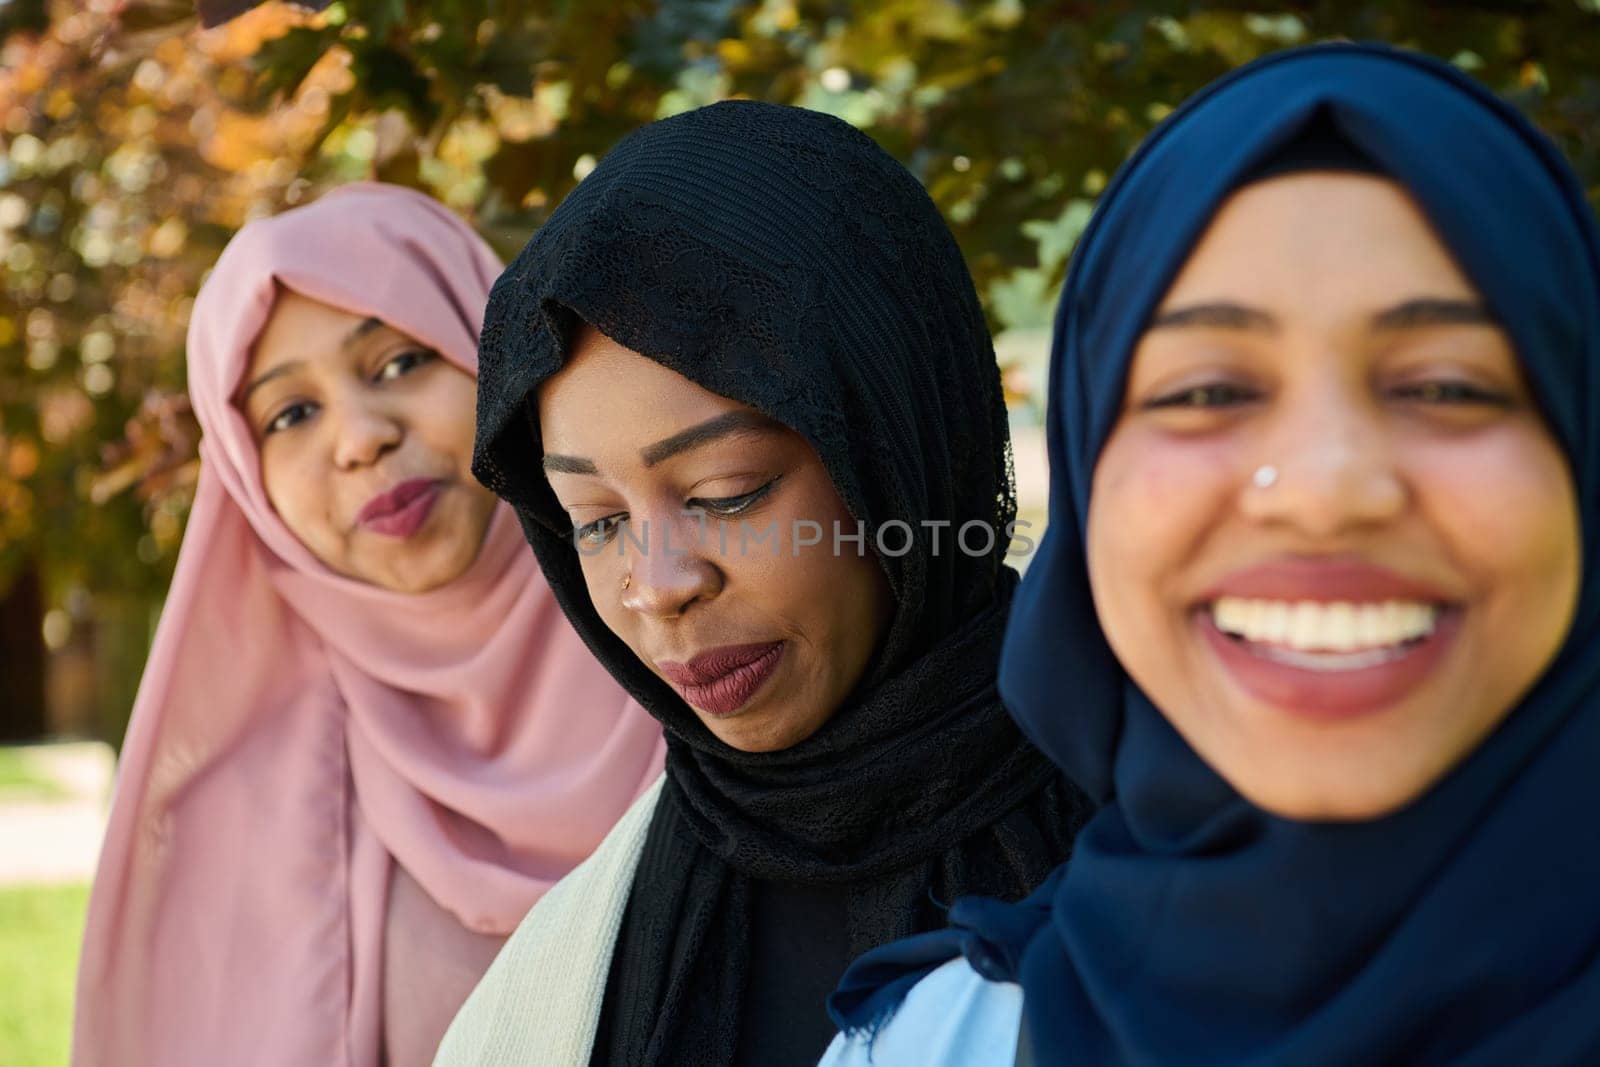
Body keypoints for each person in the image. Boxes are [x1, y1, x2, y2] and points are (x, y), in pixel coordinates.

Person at [822, 42, 1600, 1066]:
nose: (1324, 491)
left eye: (1449, 386)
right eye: (1207, 391)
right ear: (1090, 471)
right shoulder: (937, 1042)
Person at [433, 100, 1093, 1067]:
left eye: (725, 491)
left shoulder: (1180, 831)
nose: (657, 588)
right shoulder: (568, 974)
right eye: (600, 522)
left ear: (894, 444)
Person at [73, 183, 665, 1067]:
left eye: (398, 362)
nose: (360, 437)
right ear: (247, 479)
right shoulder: (234, 803)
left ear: (497, 353)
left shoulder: (704, 642)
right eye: (291, 414)